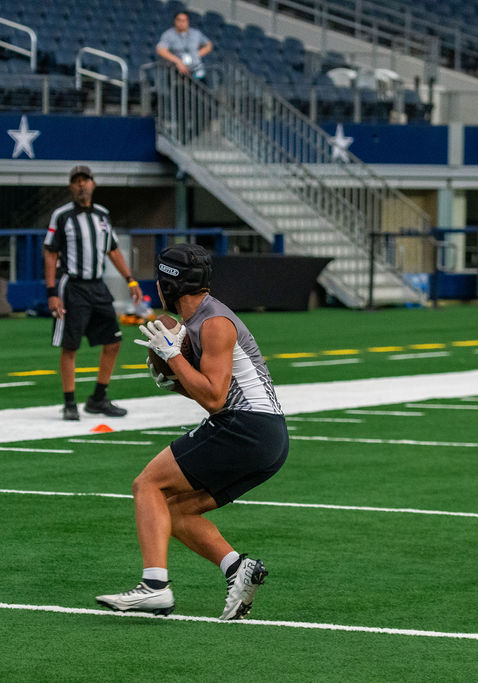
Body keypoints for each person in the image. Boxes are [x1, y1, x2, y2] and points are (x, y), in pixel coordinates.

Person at [96, 244, 288, 619]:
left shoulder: (213, 322)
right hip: (265, 436)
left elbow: (215, 398)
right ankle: (238, 568)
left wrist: (174, 358)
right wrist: (175, 381)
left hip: (246, 427)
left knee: (147, 485)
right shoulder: (204, 318)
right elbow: (209, 392)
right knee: (176, 511)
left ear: (169, 284)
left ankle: (154, 587)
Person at [44, 165, 143, 421]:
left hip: (98, 286)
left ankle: (98, 398)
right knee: (70, 346)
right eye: (76, 181)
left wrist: (131, 280)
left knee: (113, 341)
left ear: (93, 184)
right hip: (73, 287)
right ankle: (69, 402)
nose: (81, 185)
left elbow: (113, 249)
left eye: (85, 180)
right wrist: (52, 292)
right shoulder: (62, 216)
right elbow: (50, 253)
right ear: (71, 186)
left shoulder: (102, 214)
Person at [156, 11, 213, 80]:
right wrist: (178, 62)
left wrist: (197, 55)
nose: (181, 23)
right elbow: (160, 50)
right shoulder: (168, 34)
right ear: (175, 21)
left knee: (202, 83)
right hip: (178, 71)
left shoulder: (196, 33)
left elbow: (209, 45)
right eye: (179, 20)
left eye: (184, 20)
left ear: (188, 22)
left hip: (196, 69)